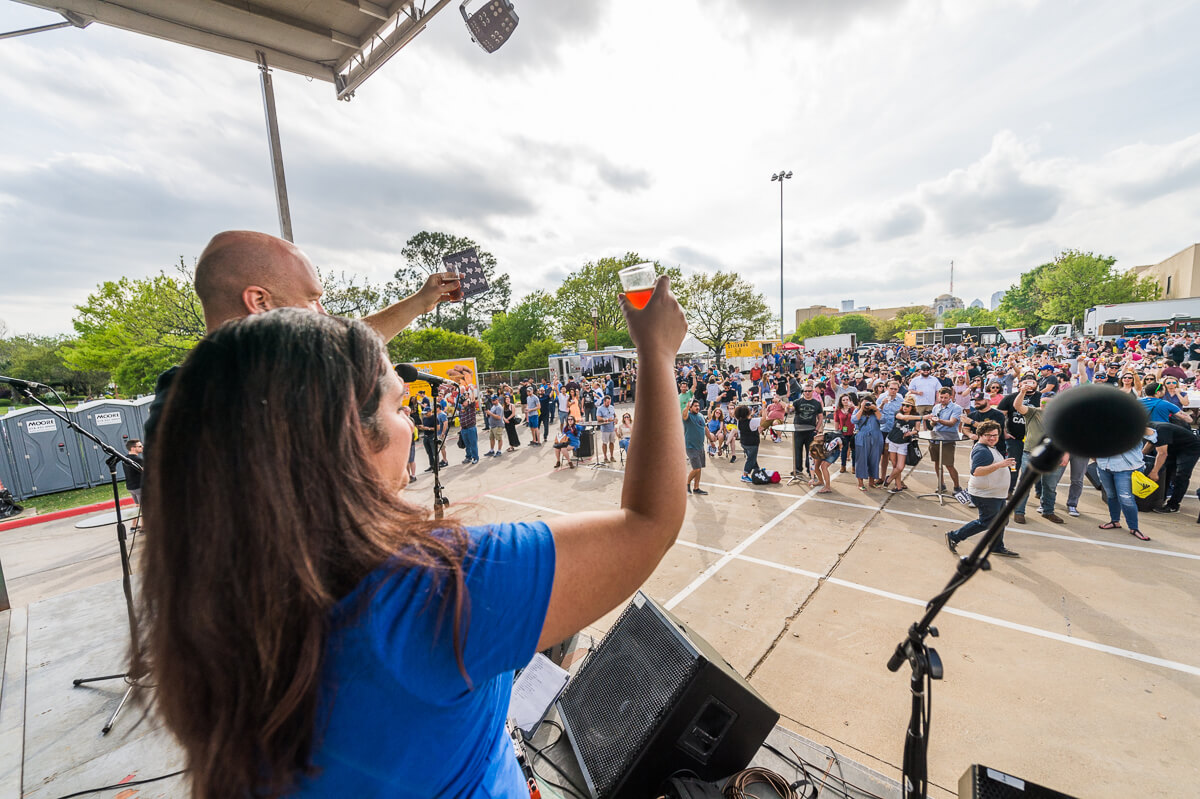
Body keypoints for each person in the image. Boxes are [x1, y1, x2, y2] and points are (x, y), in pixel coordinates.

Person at [137, 278, 687, 799]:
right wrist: (657, 354)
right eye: (400, 406)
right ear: (350, 436)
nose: (413, 426)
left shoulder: (211, 592)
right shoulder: (439, 585)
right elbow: (649, 523)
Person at [144, 230, 462, 445]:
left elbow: (344, 343)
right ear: (259, 302)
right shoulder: (206, 402)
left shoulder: (189, 397)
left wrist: (420, 302)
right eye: (312, 299)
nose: (324, 314)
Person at [945, 421, 1020, 558]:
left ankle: (997, 546)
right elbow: (977, 471)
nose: (992, 438)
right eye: (988, 435)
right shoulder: (982, 451)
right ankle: (954, 536)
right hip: (986, 495)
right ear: (980, 435)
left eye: (995, 435)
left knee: (1001, 520)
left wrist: (1003, 464)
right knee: (987, 522)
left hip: (996, 493)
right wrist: (1000, 464)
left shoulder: (989, 447)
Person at [1012, 385, 1067, 524]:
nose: (1045, 405)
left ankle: (1048, 511)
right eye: (1043, 402)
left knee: (1050, 487)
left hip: (1053, 456)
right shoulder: (1033, 412)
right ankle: (1019, 512)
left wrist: (1066, 454)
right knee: (1025, 485)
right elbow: (1017, 406)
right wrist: (1022, 392)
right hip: (1030, 454)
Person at [1096, 432, 1151, 540]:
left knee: (1126, 499)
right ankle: (1114, 521)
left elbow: (1153, 436)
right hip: (1104, 466)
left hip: (1126, 468)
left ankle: (1133, 527)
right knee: (1111, 495)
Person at [926, 387, 969, 505]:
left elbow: (951, 423)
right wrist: (932, 421)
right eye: (941, 397)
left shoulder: (956, 408)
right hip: (935, 438)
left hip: (948, 440)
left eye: (945, 398)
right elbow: (932, 423)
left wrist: (938, 420)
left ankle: (957, 487)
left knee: (949, 464)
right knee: (936, 463)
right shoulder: (936, 407)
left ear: (951, 397)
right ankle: (941, 484)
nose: (943, 399)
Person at [1146, 420, 1200, 514]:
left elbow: (1162, 453)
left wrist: (1154, 471)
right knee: (1166, 472)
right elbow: (1151, 443)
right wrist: (1141, 455)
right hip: (1174, 446)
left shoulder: (1160, 430)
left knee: (1181, 475)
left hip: (1190, 448)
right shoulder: (1149, 428)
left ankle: (1173, 505)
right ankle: (1160, 499)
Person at [883, 396, 921, 493]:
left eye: (908, 406)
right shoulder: (898, 412)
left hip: (904, 442)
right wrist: (922, 417)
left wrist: (910, 433)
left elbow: (917, 430)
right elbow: (904, 418)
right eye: (903, 405)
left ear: (912, 407)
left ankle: (888, 479)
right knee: (895, 465)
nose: (905, 407)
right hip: (893, 440)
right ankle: (898, 487)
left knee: (900, 467)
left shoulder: (916, 415)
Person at [790, 384, 825, 475]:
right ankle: (797, 469)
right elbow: (790, 410)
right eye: (805, 391)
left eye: (809, 391)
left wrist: (816, 429)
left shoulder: (817, 403)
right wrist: (787, 407)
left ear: (812, 392)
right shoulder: (797, 402)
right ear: (803, 392)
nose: (807, 393)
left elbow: (820, 417)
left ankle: (810, 471)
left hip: (810, 432)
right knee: (797, 451)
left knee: (810, 452)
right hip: (798, 431)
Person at [852, 396, 884, 491]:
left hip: (876, 437)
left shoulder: (876, 411)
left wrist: (876, 409)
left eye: (868, 403)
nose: (867, 406)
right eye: (865, 403)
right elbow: (854, 420)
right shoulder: (857, 410)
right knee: (861, 460)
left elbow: (883, 420)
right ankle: (860, 483)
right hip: (862, 438)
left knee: (875, 459)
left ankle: (872, 482)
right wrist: (861, 408)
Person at [683, 398, 708, 495]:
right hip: (690, 447)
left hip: (700, 446)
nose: (697, 407)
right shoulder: (688, 416)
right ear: (690, 408)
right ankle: (686, 484)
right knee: (696, 468)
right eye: (695, 406)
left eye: (698, 406)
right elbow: (684, 415)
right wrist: (687, 407)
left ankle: (696, 488)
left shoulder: (701, 415)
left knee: (699, 468)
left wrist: (711, 440)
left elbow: (705, 428)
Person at [735, 404, 761, 483]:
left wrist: (751, 414)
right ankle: (745, 475)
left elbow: (747, 420)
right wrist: (764, 407)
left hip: (744, 443)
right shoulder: (752, 421)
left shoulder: (739, 421)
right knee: (751, 459)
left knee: (751, 457)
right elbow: (764, 418)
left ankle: (757, 470)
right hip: (752, 444)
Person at [832, 393, 857, 474]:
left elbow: (859, 414)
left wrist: (853, 406)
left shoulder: (853, 409)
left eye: (847, 400)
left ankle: (854, 466)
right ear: (841, 401)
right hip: (843, 433)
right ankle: (843, 466)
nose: (845, 401)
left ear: (850, 400)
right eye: (843, 400)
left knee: (854, 451)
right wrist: (836, 432)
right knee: (843, 450)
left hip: (853, 432)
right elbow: (836, 422)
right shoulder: (838, 411)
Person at [124, 439, 144, 532]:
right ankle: (144, 527)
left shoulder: (125, 458)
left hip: (131, 487)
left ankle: (133, 526)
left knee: (137, 506)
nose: (142, 447)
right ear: (133, 448)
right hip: (139, 487)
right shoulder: (138, 460)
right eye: (140, 446)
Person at [596, 396, 618, 463]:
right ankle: (605, 457)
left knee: (612, 442)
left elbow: (614, 415)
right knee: (605, 443)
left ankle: (612, 456)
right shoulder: (600, 408)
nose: (608, 404)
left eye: (609, 402)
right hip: (605, 429)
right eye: (607, 402)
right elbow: (598, 418)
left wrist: (616, 419)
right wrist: (606, 419)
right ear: (604, 401)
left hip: (612, 428)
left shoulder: (611, 407)